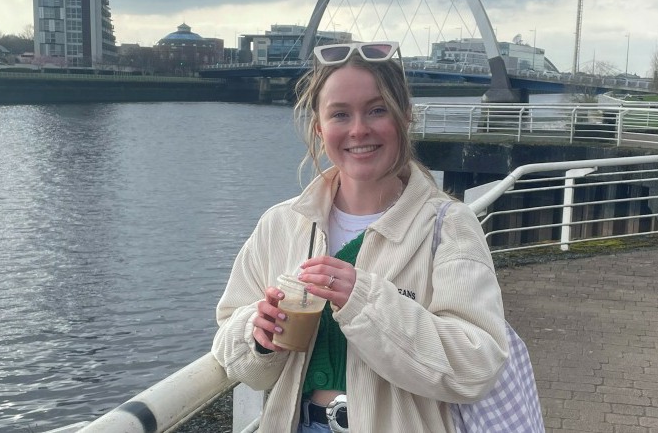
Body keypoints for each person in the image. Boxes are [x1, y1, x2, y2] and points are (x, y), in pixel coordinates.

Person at [211, 41, 508, 432]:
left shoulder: (449, 226)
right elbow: (231, 341)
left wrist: (365, 301)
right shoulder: (281, 224)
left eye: (377, 109)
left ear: (405, 117)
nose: (358, 129)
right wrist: (259, 335)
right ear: (319, 127)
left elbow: (477, 365)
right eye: (340, 114)